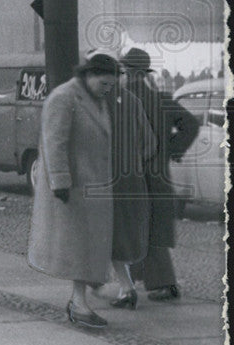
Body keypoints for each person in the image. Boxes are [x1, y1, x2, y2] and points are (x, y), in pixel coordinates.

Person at [26, 52, 120, 330]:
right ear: (88, 75)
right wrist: (60, 182)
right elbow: (54, 142)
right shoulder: (64, 97)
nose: (108, 90)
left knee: (88, 246)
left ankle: (81, 299)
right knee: (80, 247)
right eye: (104, 84)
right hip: (75, 187)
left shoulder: (95, 99)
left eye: (111, 85)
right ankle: (79, 304)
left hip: (94, 185)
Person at [120, 47, 199, 302]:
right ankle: (154, 281)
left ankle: (157, 283)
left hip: (129, 176)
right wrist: (173, 149)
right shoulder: (162, 99)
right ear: (145, 72)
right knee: (154, 227)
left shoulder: (120, 99)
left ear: (127, 71)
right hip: (158, 175)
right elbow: (192, 124)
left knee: (130, 228)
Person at [106, 78, 156, 309]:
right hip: (132, 179)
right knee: (122, 235)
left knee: (108, 235)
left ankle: (124, 287)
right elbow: (150, 144)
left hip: (106, 180)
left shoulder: (97, 103)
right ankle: (126, 287)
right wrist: (134, 161)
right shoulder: (133, 101)